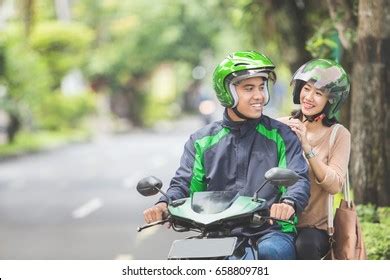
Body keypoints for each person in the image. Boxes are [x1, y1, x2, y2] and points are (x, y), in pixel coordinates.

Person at [143, 50, 310, 259]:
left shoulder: (280, 135)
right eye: (249, 88)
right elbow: (184, 183)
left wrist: (288, 203)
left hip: (269, 231)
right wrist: (164, 204)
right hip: (216, 233)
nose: (259, 95)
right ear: (227, 92)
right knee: (183, 258)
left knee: (272, 252)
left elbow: (297, 178)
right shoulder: (202, 141)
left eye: (261, 87)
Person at [278, 58, 351, 259]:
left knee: (306, 245)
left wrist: (307, 147)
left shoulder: (338, 134)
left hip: (313, 229)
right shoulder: (283, 126)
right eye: (307, 89)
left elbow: (335, 184)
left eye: (319, 93)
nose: (309, 97)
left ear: (331, 102)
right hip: (278, 220)